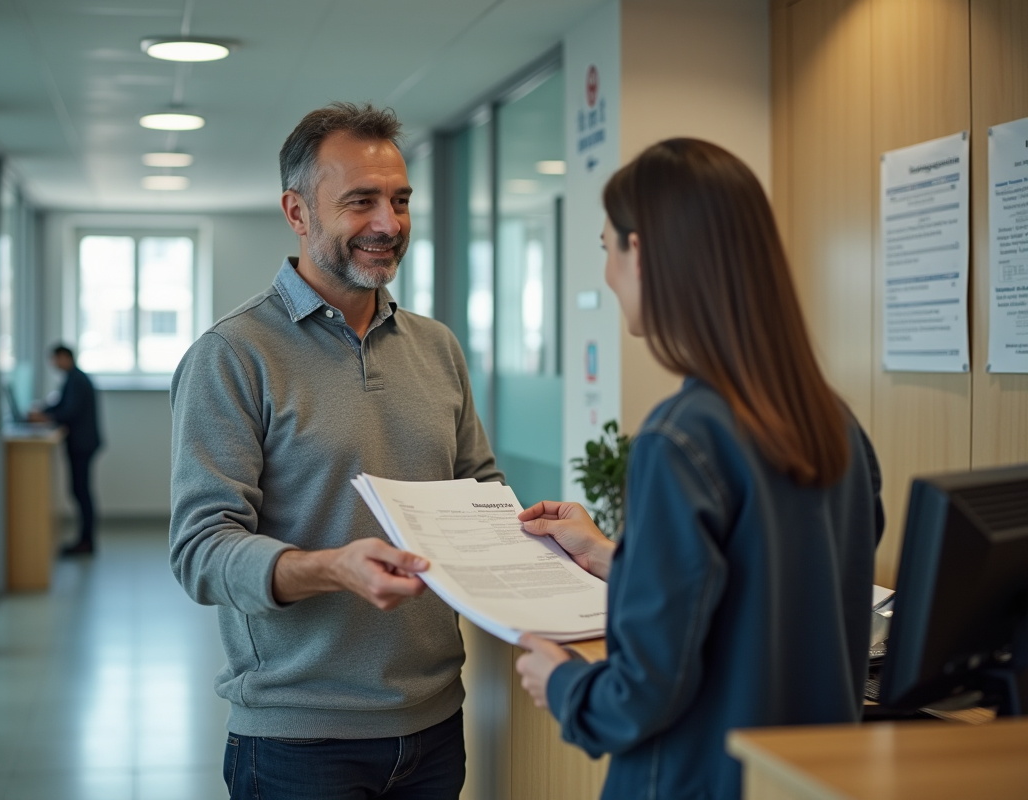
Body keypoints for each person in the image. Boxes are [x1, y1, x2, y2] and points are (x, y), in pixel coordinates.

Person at [514, 139, 884, 800]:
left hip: (694, 779)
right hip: (800, 780)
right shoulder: (835, 424)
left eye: (607, 249)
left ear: (644, 252)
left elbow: (644, 690)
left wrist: (566, 684)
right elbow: (763, 589)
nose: (606, 274)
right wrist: (611, 554)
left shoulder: (680, 437)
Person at [168, 102, 502, 800]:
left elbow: (479, 493)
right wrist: (331, 569)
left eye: (400, 200)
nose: (388, 224)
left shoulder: (436, 347)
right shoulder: (233, 355)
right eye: (361, 202)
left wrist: (546, 548)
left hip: (436, 722)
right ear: (297, 212)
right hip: (298, 741)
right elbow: (201, 550)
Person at [30, 344, 102, 556]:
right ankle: (85, 540)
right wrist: (42, 411)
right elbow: (61, 405)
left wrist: (44, 417)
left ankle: (86, 541)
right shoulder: (73, 378)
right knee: (79, 491)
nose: (53, 364)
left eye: (55, 359)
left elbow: (69, 411)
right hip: (82, 443)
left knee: (81, 492)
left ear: (65, 357)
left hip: (82, 444)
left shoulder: (76, 380)